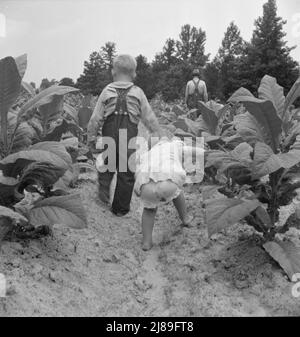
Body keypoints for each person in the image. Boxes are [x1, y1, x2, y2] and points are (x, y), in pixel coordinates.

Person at [87, 54, 163, 216]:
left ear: (113, 72)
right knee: (127, 172)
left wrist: (91, 137)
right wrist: (155, 134)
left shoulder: (107, 91)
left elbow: (95, 118)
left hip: (109, 135)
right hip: (128, 138)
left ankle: (103, 193)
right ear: (134, 73)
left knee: (106, 165)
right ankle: (120, 209)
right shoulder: (138, 92)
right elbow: (149, 118)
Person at [134, 134, 205, 251]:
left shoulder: (147, 154)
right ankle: (185, 219)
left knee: (149, 210)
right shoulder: (175, 146)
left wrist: (137, 189)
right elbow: (196, 152)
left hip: (146, 187)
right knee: (177, 193)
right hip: (167, 184)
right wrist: (209, 153)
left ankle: (146, 242)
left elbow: (138, 170)